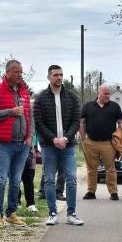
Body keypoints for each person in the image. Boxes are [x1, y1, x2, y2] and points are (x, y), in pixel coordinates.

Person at [33, 64, 83, 225]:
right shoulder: (41, 98)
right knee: (48, 179)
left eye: (61, 75)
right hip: (49, 146)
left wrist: (66, 139)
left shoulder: (72, 97)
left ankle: (71, 213)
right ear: (49, 77)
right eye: (55, 75)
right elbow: (39, 123)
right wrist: (54, 139)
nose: (59, 78)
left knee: (72, 178)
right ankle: (52, 213)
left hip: (67, 146)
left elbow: (76, 121)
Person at [0, 59, 32, 227]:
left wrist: (29, 136)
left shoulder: (24, 91)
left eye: (21, 72)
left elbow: (29, 116)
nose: (19, 75)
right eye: (16, 72)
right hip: (4, 143)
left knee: (16, 179)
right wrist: (10, 112)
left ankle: (11, 213)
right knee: (1, 179)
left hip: (23, 144)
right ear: (7, 72)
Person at [81, 84, 122, 200]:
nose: (108, 96)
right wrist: (83, 139)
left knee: (110, 168)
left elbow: (120, 122)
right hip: (90, 142)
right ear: (98, 93)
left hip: (108, 142)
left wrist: (119, 136)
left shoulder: (115, 106)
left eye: (109, 93)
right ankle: (91, 191)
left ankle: (113, 192)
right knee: (91, 168)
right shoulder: (87, 106)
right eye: (105, 93)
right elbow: (82, 122)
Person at [20, 129, 39, 213]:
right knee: (15, 179)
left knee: (29, 179)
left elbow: (34, 132)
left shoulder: (30, 117)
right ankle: (16, 202)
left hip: (29, 149)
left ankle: (31, 204)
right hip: (15, 147)